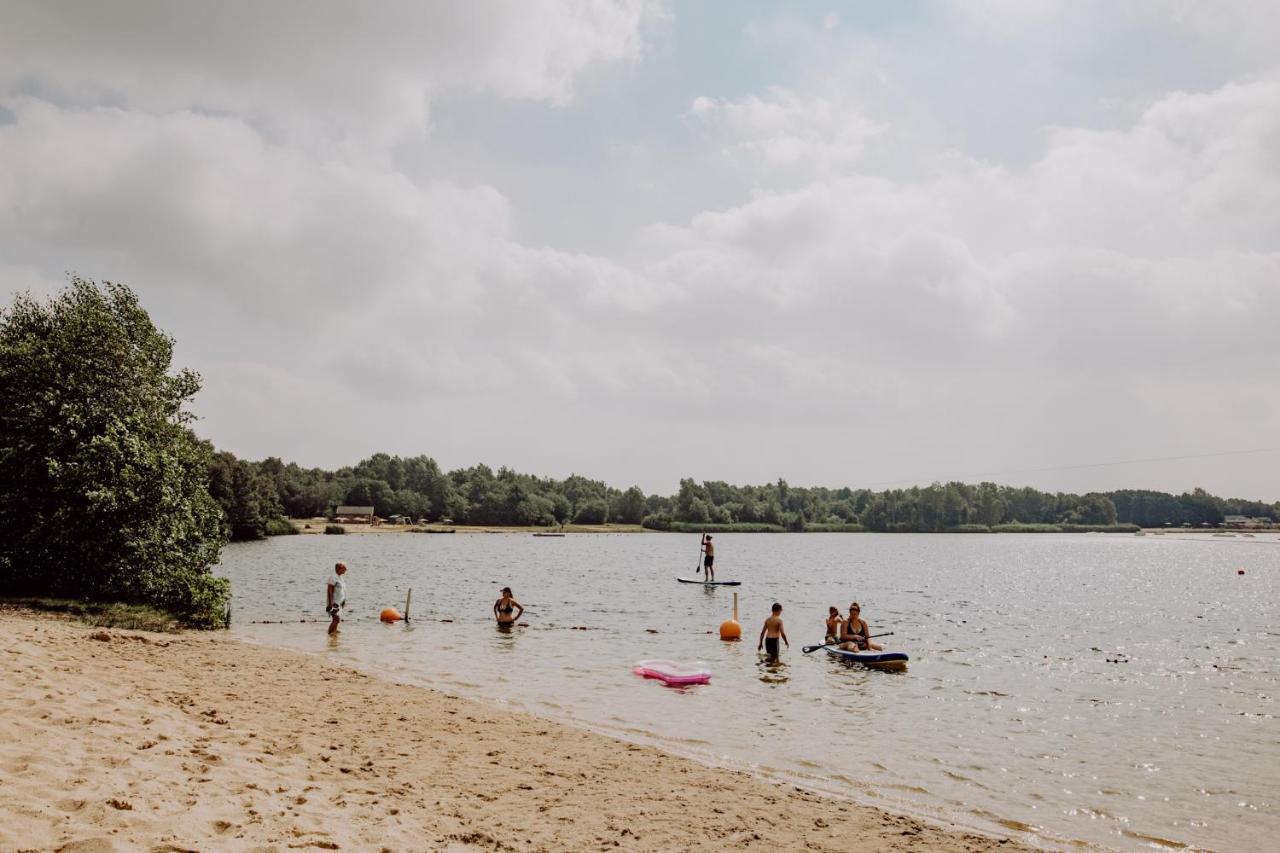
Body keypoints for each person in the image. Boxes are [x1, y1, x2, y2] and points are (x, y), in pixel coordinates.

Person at [326, 561, 348, 635]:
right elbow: (329, 591)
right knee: (336, 619)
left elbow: (342, 590)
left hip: (339, 602)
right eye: (345, 567)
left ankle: (334, 634)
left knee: (336, 619)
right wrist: (330, 604)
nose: (346, 569)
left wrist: (343, 600)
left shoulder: (340, 577)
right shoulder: (333, 577)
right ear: (340, 568)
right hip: (334, 602)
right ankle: (329, 635)